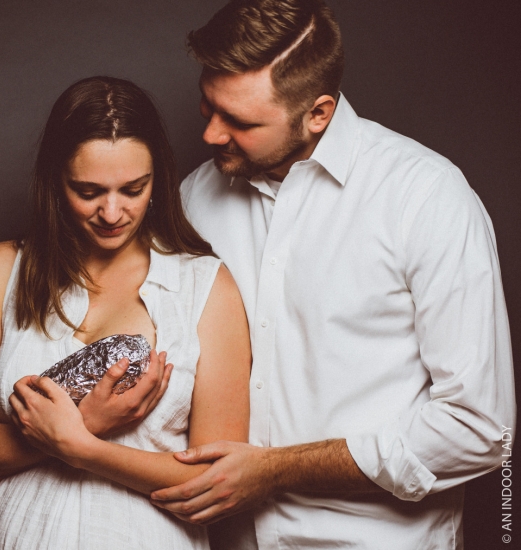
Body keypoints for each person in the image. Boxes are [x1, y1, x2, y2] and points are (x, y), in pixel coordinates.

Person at [144, 1, 516, 548]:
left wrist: (276, 469)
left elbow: (478, 430)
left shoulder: (427, 199)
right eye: (207, 109)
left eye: (241, 122)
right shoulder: (194, 199)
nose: (212, 136)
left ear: (317, 113)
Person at [0, 75, 252, 549]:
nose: (112, 213)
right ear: (55, 180)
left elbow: (212, 479)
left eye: (133, 189)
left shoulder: (206, 286)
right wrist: (88, 420)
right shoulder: (2, 269)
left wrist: (79, 445)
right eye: (87, 191)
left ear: (158, 180)